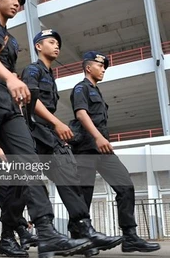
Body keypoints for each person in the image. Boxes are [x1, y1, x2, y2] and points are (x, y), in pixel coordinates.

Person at [0, 0, 91, 258]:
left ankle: (44, 230)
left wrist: (15, 87)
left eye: (20, 1)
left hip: (9, 106)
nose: (17, 3)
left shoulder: (12, 40)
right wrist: (10, 78)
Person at [19, 30, 123, 256]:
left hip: (47, 134)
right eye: (51, 42)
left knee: (70, 181)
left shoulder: (50, 75)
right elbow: (31, 102)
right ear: (38, 46)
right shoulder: (33, 70)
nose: (57, 46)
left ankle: (83, 229)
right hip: (33, 134)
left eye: (58, 43)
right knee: (24, 190)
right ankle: (22, 233)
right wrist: (57, 123)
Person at [69, 51, 161, 253]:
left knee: (125, 186)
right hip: (85, 148)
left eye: (105, 67)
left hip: (102, 150)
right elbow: (81, 113)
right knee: (84, 194)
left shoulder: (97, 91)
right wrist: (98, 137)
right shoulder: (80, 88)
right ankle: (80, 239)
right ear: (88, 67)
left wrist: (102, 140)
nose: (103, 70)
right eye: (100, 66)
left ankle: (129, 237)